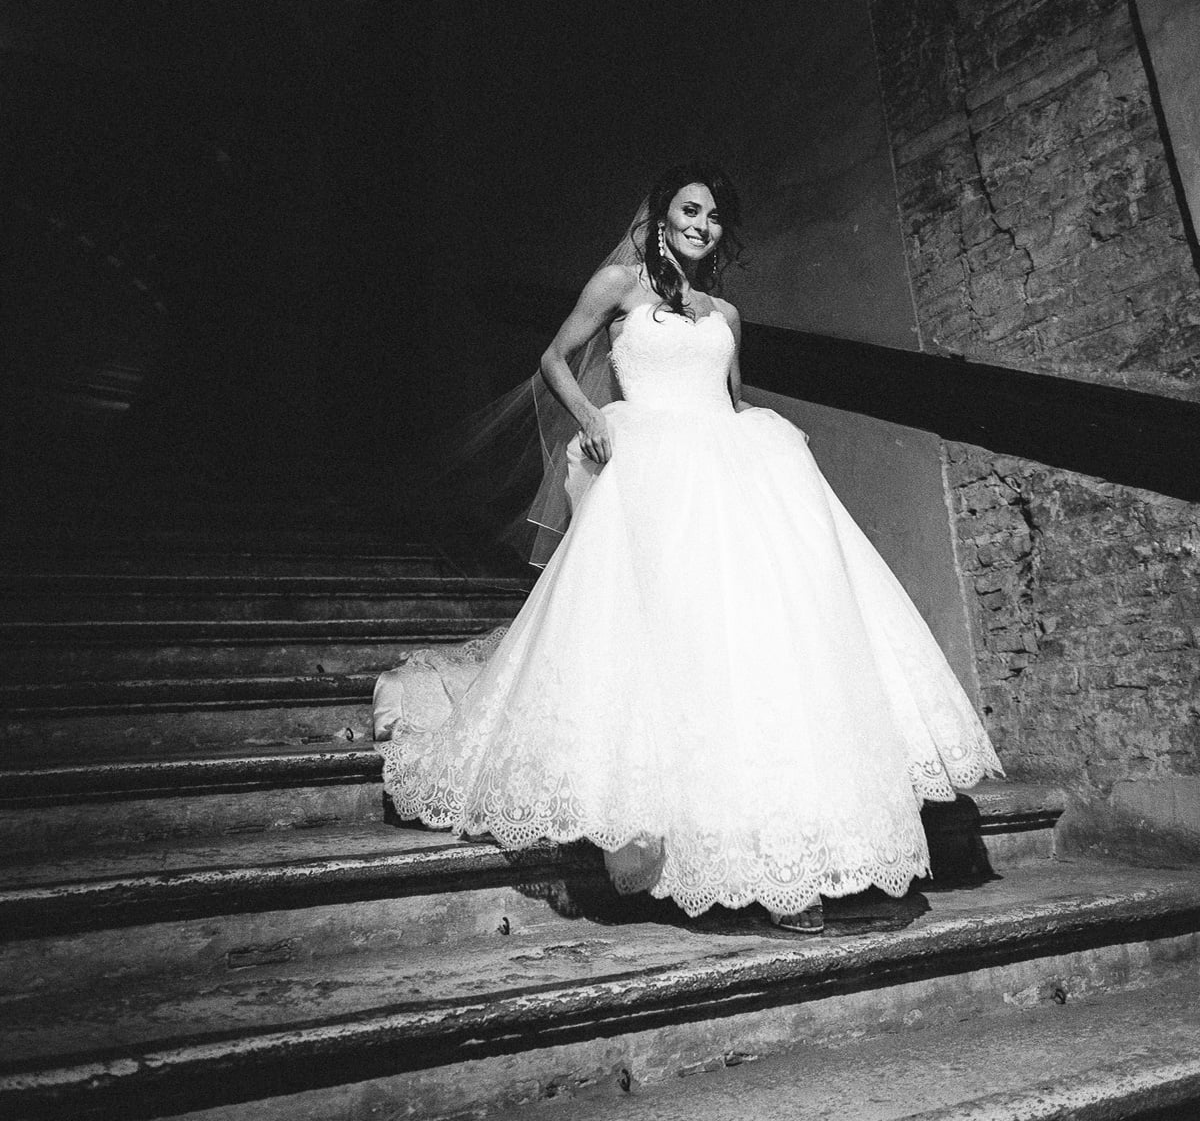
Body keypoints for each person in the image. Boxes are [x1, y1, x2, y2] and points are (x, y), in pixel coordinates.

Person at [378, 162, 1000, 932]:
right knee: (677, 648)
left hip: (731, 477)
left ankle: (790, 858)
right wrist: (591, 417)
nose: (702, 225)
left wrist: (766, 447)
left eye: (713, 217)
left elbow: (730, 403)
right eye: (690, 210)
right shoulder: (618, 286)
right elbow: (553, 358)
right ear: (661, 217)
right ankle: (708, 844)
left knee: (766, 649)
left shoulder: (725, 313)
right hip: (652, 473)